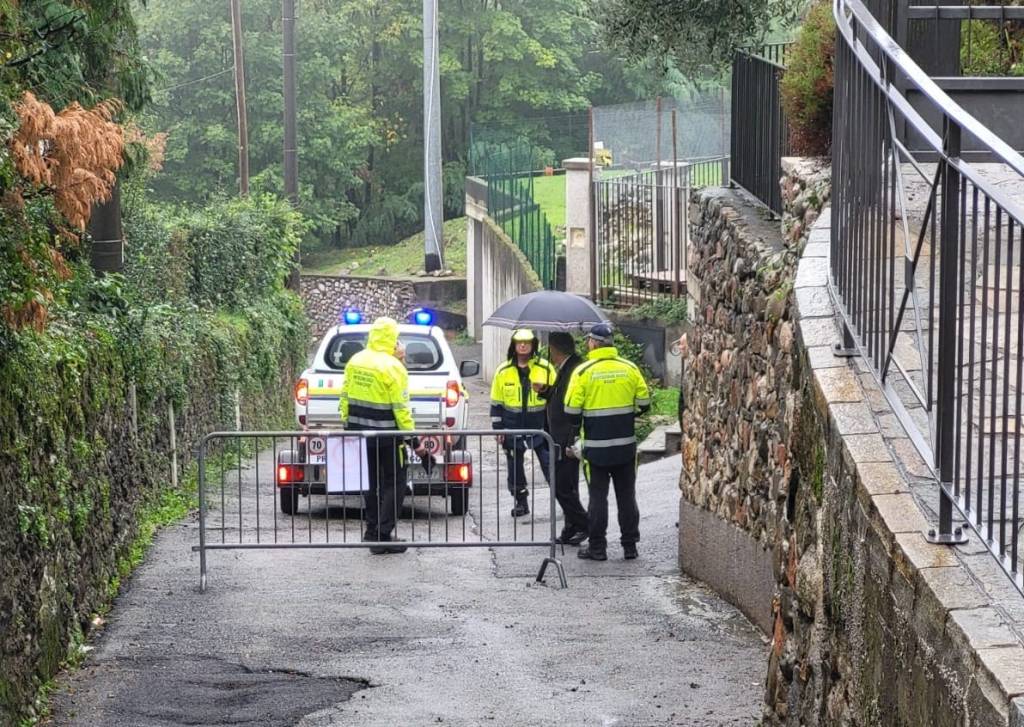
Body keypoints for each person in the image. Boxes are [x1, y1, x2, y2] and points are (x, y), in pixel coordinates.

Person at [565, 323, 651, 561]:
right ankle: (630, 546)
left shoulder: (583, 372)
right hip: (625, 446)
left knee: (597, 498)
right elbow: (644, 404)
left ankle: (597, 547)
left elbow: (571, 410)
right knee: (626, 496)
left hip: (595, 449)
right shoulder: (630, 368)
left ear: (592, 343)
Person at [339, 317, 425, 554]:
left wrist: (347, 424)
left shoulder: (355, 360)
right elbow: (401, 409)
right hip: (388, 436)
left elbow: (344, 395)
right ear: (390, 338)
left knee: (372, 484)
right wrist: (414, 441)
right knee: (394, 484)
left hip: (360, 434)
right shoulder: (392, 366)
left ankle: (371, 530)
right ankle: (383, 535)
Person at [490, 328, 557, 517]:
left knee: (550, 464)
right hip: (512, 427)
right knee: (514, 468)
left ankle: (564, 501)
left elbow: (557, 397)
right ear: (513, 345)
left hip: (541, 428)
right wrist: (498, 428)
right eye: (519, 342)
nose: (522, 345)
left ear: (533, 345)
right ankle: (521, 502)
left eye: (526, 342)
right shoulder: (503, 371)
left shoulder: (545, 368)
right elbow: (496, 403)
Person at [541, 332, 589, 545]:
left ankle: (587, 525)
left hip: (566, 437)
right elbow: (561, 397)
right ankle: (571, 527)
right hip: (559, 436)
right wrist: (546, 392)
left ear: (555, 349)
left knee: (561, 486)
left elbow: (573, 406)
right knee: (566, 486)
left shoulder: (574, 369)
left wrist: (571, 441)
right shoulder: (566, 367)